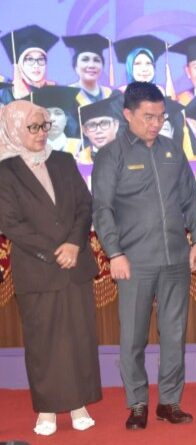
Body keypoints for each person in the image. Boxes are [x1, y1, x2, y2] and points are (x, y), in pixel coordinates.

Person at [91, 82, 196, 430]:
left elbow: (190, 198)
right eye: (148, 117)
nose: (156, 124)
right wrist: (115, 253)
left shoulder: (172, 150)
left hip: (176, 260)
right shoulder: (111, 155)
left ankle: (169, 402)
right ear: (128, 115)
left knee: (174, 335)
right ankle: (137, 403)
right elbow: (102, 209)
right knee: (133, 338)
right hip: (134, 261)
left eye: (160, 117)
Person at [0, 100, 101, 436]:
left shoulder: (63, 160)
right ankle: (46, 410)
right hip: (38, 269)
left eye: (44, 125)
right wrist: (54, 252)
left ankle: (79, 404)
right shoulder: (5, 171)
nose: (41, 133)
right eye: (33, 127)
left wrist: (74, 244)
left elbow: (84, 206)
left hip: (75, 264)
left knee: (79, 337)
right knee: (43, 342)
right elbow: (10, 223)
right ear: (15, 128)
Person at [0, 25, 59, 103]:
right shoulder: (8, 93)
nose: (36, 65)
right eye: (30, 59)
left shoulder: (54, 90)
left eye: (41, 59)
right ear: (20, 65)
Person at [24, 85, 83, 155]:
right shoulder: (29, 150)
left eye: (58, 113)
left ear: (66, 119)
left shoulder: (80, 149)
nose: (52, 119)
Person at [62, 33, 118, 106]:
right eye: (85, 60)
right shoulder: (67, 94)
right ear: (75, 66)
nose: (91, 65)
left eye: (96, 60)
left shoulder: (111, 94)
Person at [77, 95, 123, 164]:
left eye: (104, 123)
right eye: (92, 125)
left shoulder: (132, 155)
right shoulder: (79, 161)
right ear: (84, 130)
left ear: (116, 125)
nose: (98, 130)